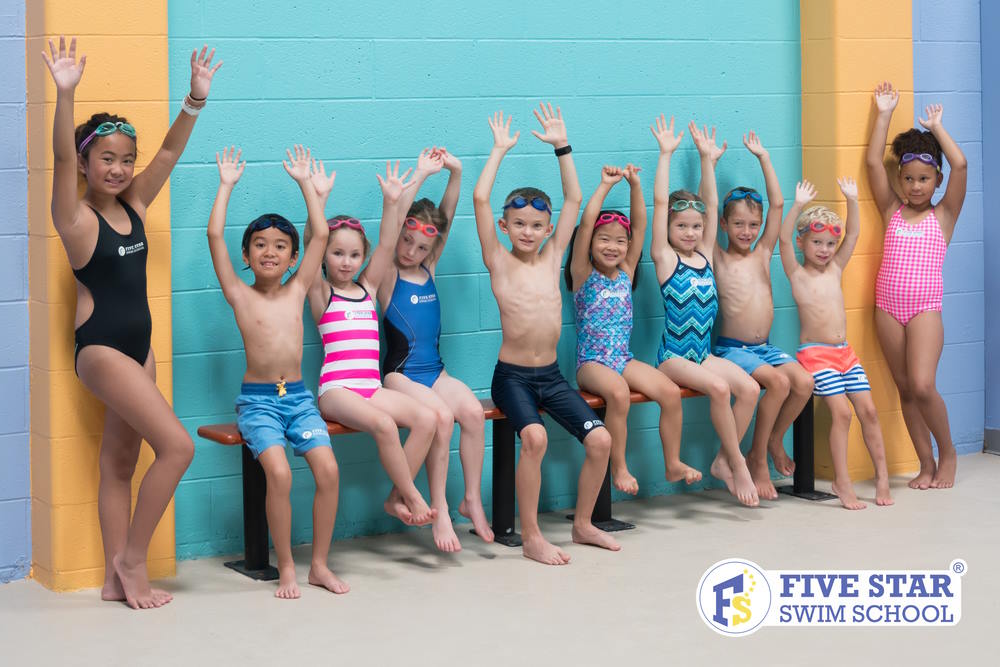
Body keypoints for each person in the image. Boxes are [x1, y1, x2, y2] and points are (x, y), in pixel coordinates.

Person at [43, 36, 220, 609]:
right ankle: (133, 560)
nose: (118, 169)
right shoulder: (74, 218)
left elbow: (166, 155)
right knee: (176, 448)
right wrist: (65, 94)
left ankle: (115, 580)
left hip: (138, 348)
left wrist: (193, 101)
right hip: (100, 351)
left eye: (125, 159)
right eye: (106, 158)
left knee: (120, 463)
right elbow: (61, 160)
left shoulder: (136, 206)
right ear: (88, 162)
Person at [473, 103, 619, 565]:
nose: (528, 232)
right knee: (533, 440)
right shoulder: (499, 260)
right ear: (504, 226)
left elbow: (574, 199)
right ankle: (532, 535)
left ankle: (582, 524)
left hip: (552, 376)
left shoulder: (555, 255)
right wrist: (498, 151)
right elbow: (479, 200)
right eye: (519, 224)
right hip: (512, 377)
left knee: (600, 440)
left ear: (549, 228)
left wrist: (563, 146)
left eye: (537, 225)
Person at [208, 145, 348, 598]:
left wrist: (306, 183)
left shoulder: (298, 289)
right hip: (259, 403)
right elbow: (214, 236)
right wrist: (226, 186)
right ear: (246, 256)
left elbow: (322, 235)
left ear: (293, 259)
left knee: (328, 471)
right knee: (282, 475)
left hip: (300, 400)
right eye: (260, 245)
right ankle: (286, 565)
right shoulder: (238, 294)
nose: (270, 252)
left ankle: (319, 565)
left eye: (281, 246)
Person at [305, 162, 439, 531]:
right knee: (384, 425)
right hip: (337, 390)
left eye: (353, 255)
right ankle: (411, 495)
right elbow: (312, 243)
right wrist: (317, 199)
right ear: (325, 257)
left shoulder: (369, 289)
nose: (345, 262)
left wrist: (391, 201)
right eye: (337, 254)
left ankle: (396, 496)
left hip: (370, 387)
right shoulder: (321, 293)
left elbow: (386, 241)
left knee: (427, 419)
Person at [376, 147, 494, 551]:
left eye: (421, 246)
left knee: (474, 414)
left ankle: (471, 499)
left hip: (435, 373)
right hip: (398, 376)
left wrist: (456, 173)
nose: (411, 251)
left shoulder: (427, 267)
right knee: (442, 417)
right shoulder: (388, 274)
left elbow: (448, 212)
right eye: (407, 242)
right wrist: (421, 175)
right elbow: (391, 229)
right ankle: (439, 509)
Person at [649, 115, 760, 507]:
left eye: (696, 227)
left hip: (703, 354)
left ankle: (721, 461)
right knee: (718, 388)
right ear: (667, 229)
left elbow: (712, 205)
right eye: (682, 226)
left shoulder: (705, 257)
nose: (692, 233)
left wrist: (706, 161)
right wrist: (666, 154)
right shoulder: (664, 258)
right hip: (674, 357)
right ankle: (738, 461)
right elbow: (661, 201)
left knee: (748, 388)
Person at [566, 163, 695, 495]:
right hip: (591, 363)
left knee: (668, 391)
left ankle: (672, 463)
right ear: (591, 243)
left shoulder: (626, 269)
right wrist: (605, 186)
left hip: (622, 358)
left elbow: (640, 226)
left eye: (620, 242)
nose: (613, 246)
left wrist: (636, 185)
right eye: (604, 239)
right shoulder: (582, 273)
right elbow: (583, 226)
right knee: (619, 394)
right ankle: (619, 467)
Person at [865, 81, 967, 490]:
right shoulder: (891, 209)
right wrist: (884, 113)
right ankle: (925, 464)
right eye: (908, 178)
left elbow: (960, 166)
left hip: (924, 308)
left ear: (936, 179)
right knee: (905, 389)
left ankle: (949, 455)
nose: (915, 186)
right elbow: (874, 164)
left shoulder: (943, 216)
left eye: (924, 178)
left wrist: (938, 129)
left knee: (924, 385)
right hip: (886, 307)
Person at [778, 179, 894, 510]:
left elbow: (854, 235)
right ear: (803, 242)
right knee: (841, 413)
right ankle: (841, 481)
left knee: (869, 411)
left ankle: (881, 475)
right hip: (816, 356)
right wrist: (797, 205)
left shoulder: (835, 269)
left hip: (846, 354)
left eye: (830, 243)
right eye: (817, 242)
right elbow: (782, 239)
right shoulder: (797, 273)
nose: (825, 249)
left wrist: (853, 200)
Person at [712, 131, 814, 500]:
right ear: (723, 225)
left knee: (803, 383)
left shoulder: (762, 252)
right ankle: (753, 459)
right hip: (732, 349)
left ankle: (771, 441)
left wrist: (765, 158)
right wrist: (710, 164)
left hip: (765, 348)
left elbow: (776, 205)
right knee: (779, 383)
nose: (747, 231)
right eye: (738, 224)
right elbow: (708, 208)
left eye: (752, 225)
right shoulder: (718, 257)